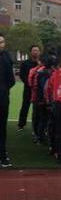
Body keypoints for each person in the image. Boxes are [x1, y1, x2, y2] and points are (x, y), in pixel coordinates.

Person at [18, 44, 41, 131]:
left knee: (37, 109)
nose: (35, 52)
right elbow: (22, 75)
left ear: (39, 52)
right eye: (34, 50)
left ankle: (37, 126)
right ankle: (21, 124)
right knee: (25, 106)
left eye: (37, 50)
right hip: (28, 89)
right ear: (31, 52)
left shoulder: (41, 64)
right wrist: (29, 83)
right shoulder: (25, 63)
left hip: (38, 90)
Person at [0, 35, 15, 167]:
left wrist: (3, 90)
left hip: (2, 98)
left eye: (2, 42)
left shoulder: (7, 58)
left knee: (1, 127)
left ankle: (2, 155)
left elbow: (11, 80)